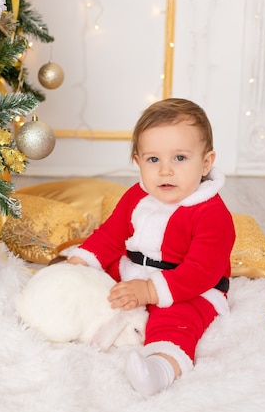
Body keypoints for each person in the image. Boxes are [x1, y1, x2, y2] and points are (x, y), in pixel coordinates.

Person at [66, 97, 235, 396]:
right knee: (96, 275)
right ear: (138, 162)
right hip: (136, 268)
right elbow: (112, 234)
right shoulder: (137, 195)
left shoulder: (212, 213)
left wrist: (149, 291)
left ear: (206, 162)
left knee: (176, 321)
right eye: (153, 160)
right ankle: (69, 309)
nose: (165, 171)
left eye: (180, 158)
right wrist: (82, 263)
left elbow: (201, 271)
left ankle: (160, 367)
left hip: (189, 286)